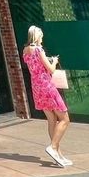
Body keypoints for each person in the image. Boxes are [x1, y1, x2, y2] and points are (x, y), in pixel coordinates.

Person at [22, 25, 71, 167]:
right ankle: (53, 148)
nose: (42, 39)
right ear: (37, 36)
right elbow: (50, 69)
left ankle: (58, 156)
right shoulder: (38, 49)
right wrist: (54, 61)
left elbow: (34, 65)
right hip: (46, 85)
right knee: (65, 119)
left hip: (36, 87)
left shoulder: (25, 51)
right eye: (41, 36)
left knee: (51, 119)